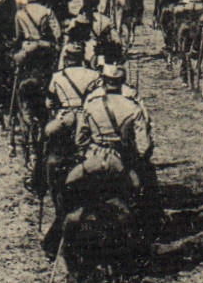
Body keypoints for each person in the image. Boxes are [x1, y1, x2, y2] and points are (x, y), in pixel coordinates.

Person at [43, 63, 159, 262]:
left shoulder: (91, 103)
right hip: (121, 163)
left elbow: (80, 139)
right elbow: (144, 147)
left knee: (68, 194)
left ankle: (54, 242)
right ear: (122, 82)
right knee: (144, 197)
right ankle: (147, 240)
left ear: (103, 81)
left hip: (92, 161)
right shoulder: (133, 107)